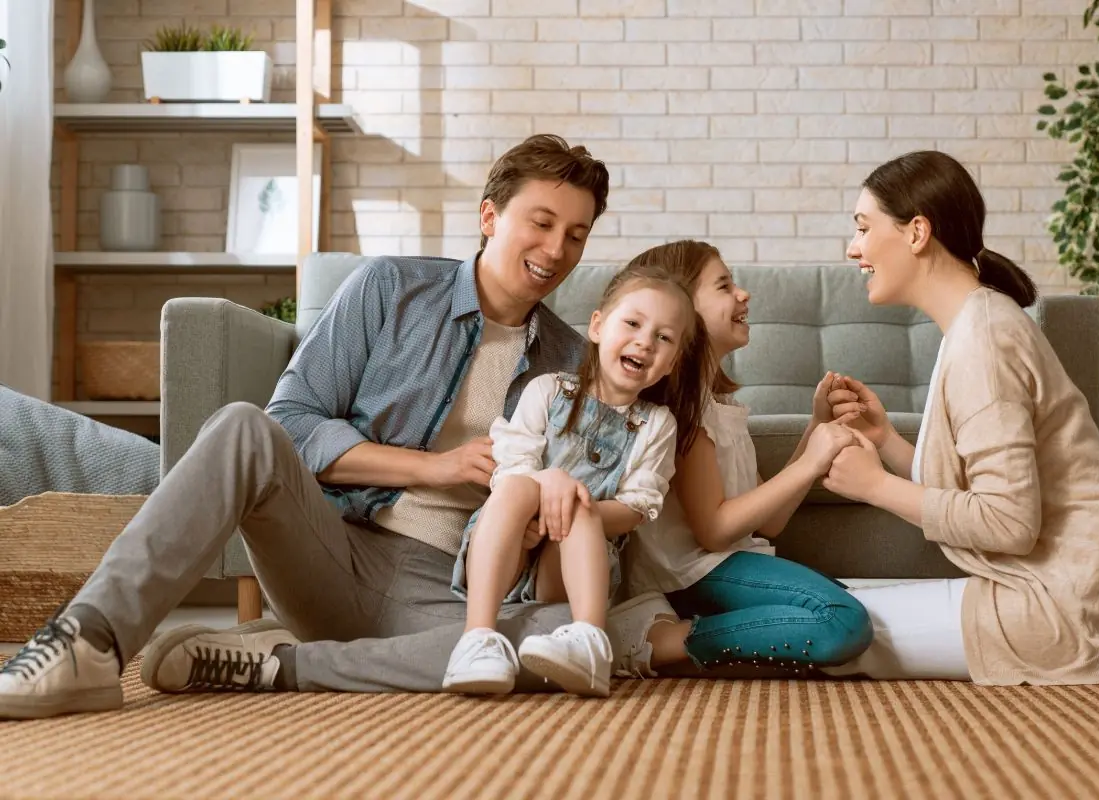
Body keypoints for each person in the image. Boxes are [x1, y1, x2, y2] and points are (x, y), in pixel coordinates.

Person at [0, 134, 674, 720]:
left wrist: (538, 523)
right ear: (491, 216)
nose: (556, 249)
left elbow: (573, 518)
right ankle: (87, 643)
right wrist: (428, 467)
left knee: (577, 632)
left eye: (577, 235)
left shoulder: (570, 363)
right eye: (542, 221)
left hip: (449, 597)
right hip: (337, 550)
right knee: (243, 427)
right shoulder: (389, 288)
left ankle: (280, 665)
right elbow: (289, 423)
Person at [817, 150, 1099, 684]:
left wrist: (876, 487)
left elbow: (1009, 522)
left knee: (825, 627)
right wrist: (885, 439)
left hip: (1068, 607)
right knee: (835, 601)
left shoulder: (985, 339)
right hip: (1057, 589)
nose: (853, 248)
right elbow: (986, 490)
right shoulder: (977, 322)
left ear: (916, 232)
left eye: (863, 228)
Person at [606, 241, 875, 676]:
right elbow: (715, 530)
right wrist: (811, 462)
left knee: (850, 611)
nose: (743, 294)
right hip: (693, 576)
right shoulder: (682, 411)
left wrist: (815, 427)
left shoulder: (717, 407)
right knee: (841, 620)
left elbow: (767, 523)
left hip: (724, 566)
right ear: (682, 308)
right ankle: (660, 644)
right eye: (724, 285)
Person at [443, 264, 711, 697]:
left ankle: (588, 642)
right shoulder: (547, 390)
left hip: (570, 569)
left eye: (664, 338)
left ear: (672, 362)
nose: (645, 341)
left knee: (581, 504)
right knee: (517, 487)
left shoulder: (656, 424)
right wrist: (550, 487)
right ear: (598, 326)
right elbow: (511, 467)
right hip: (508, 549)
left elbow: (637, 508)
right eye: (633, 323)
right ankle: (477, 640)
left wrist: (569, 508)